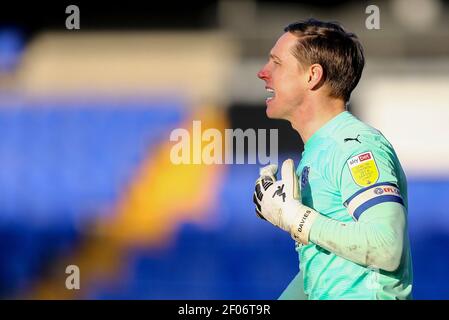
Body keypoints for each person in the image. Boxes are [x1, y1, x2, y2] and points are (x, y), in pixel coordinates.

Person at [253, 18, 413, 300]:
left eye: (276, 63)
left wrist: (297, 219)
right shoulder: (318, 151)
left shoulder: (355, 146)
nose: (262, 73)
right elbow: (324, 271)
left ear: (312, 76)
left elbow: (387, 247)